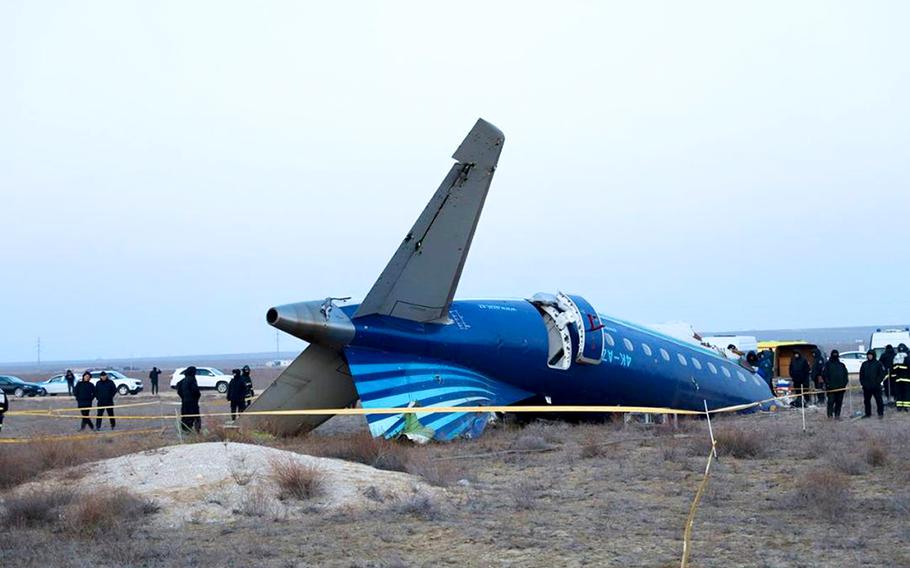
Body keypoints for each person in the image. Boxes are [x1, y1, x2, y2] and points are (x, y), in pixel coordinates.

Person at [822, 350, 849, 419]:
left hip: (840, 388)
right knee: (831, 402)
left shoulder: (841, 365)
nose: (835, 356)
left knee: (839, 402)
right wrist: (828, 384)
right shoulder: (827, 364)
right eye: (834, 354)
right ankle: (830, 415)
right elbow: (825, 375)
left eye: (836, 354)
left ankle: (837, 415)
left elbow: (845, 375)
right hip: (831, 388)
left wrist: (844, 384)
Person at [858, 349, 885, 419]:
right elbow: (861, 374)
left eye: (871, 355)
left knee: (879, 400)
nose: (869, 356)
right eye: (868, 355)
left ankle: (880, 413)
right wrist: (863, 383)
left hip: (876, 386)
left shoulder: (878, 364)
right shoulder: (864, 364)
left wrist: (877, 382)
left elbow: (882, 374)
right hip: (866, 386)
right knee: (866, 401)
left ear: (873, 355)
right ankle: (868, 414)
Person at [176, 366, 202, 433]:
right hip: (192, 403)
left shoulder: (183, 381)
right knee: (195, 417)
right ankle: (197, 431)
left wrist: (183, 397)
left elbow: (179, 389)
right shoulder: (192, 380)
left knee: (185, 417)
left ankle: (186, 430)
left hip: (185, 402)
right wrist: (196, 397)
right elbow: (195, 391)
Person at [893, 344, 910, 412]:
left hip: (898, 379)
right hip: (907, 379)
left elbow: (893, 368)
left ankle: (899, 407)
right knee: (906, 392)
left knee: (899, 392)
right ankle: (906, 407)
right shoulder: (907, 357)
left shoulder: (896, 357)